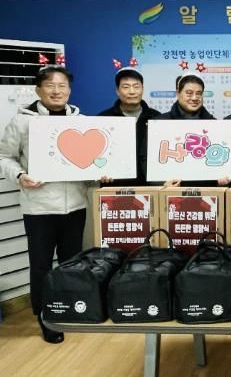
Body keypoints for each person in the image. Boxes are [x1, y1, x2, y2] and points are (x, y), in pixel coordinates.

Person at [0, 66, 89, 343]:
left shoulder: (81, 121)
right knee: (40, 264)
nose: (56, 91)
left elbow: (90, 160)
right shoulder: (22, 122)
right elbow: (4, 156)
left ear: (69, 90)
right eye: (50, 85)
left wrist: (101, 174)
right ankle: (46, 315)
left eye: (62, 85)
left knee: (72, 261)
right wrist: (19, 175)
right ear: (38, 89)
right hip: (39, 207)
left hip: (75, 205)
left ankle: (70, 308)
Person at [156, 73, 229, 187]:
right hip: (172, 190)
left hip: (207, 190)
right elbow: (147, 159)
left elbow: (221, 160)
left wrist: (222, 175)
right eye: (189, 93)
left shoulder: (214, 125)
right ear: (178, 93)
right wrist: (160, 182)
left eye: (199, 94)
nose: (194, 98)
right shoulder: (160, 123)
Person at [97, 67, 160, 186]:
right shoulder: (104, 118)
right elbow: (97, 153)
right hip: (114, 186)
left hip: (149, 187)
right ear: (117, 91)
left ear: (142, 89)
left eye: (136, 86)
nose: (132, 91)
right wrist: (100, 171)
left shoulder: (156, 118)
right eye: (126, 87)